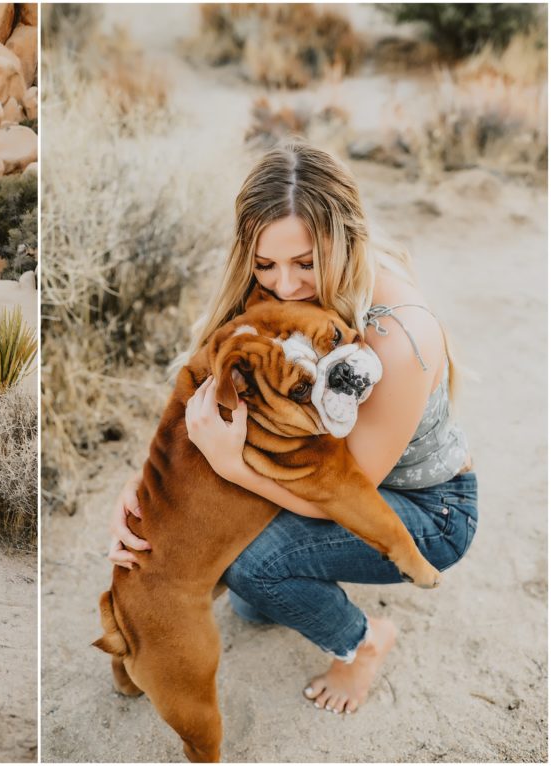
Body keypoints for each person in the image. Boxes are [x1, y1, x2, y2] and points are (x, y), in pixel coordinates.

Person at [108, 142, 478, 716]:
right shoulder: (275, 305)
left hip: (425, 506)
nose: (283, 285)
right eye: (265, 264)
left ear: (346, 234)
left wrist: (231, 467)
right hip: (330, 478)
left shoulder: (399, 336)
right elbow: (197, 402)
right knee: (249, 590)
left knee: (255, 567)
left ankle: (363, 644)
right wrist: (144, 490)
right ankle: (290, 584)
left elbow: (340, 490)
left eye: (305, 262)